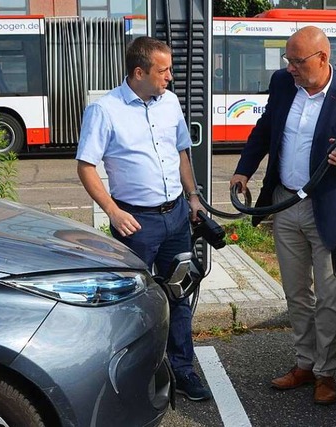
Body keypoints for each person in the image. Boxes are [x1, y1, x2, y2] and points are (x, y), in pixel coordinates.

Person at [229, 26, 336, 405]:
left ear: (322, 59)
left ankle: (326, 373)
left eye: (297, 62)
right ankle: (304, 363)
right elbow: (264, 131)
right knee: (296, 293)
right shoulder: (283, 84)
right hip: (285, 204)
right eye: (288, 60)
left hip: (329, 210)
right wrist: (243, 170)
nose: (291, 68)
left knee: (329, 298)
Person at [76, 36, 212, 401]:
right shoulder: (105, 110)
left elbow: (181, 153)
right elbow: (86, 166)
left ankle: (183, 370)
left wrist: (194, 198)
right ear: (139, 72)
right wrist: (113, 211)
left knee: (180, 295)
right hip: (135, 224)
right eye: (164, 69)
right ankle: (129, 378)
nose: (171, 76)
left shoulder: (170, 102)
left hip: (177, 217)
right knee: (130, 302)